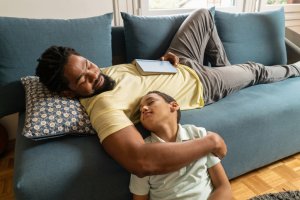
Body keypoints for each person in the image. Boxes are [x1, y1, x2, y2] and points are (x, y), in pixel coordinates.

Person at [35, 8, 300, 177]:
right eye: (82, 79)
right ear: (68, 93)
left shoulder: (101, 72)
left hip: (178, 62)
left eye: (88, 64)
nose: (94, 74)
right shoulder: (103, 108)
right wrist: (209, 142)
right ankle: (294, 69)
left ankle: (226, 69)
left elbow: (134, 76)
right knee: (255, 70)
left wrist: (164, 63)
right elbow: (140, 161)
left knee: (203, 15)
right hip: (202, 83)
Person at [129, 91, 232, 200]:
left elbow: (224, 187)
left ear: (173, 106)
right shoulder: (144, 151)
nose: (143, 109)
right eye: (140, 110)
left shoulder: (197, 134)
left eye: (150, 102)